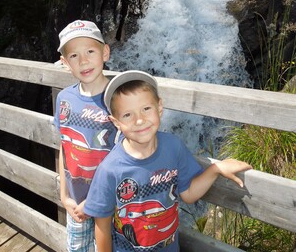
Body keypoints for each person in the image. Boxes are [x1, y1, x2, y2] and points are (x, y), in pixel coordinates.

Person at [84, 70, 252, 252]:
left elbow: (188, 193)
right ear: (116, 122)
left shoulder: (173, 147)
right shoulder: (110, 169)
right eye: (127, 115)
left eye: (146, 109)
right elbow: (101, 225)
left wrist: (216, 168)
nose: (140, 120)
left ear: (160, 107)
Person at [54, 19, 120, 252]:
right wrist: (64, 196)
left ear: (105, 52)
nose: (83, 61)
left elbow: (128, 156)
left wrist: (97, 201)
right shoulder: (64, 99)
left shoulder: (119, 100)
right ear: (65, 63)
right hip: (75, 203)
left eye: (90, 51)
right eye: (73, 56)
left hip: (111, 206)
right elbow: (64, 147)